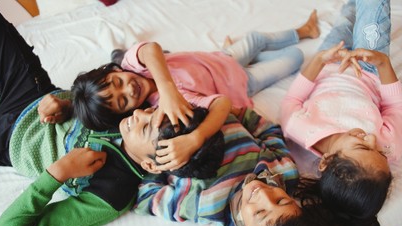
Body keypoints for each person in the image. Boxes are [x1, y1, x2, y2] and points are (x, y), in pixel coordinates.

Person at [0, 0, 222, 226]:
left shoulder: (113, 191)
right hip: (33, 91)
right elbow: (133, 67)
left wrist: (57, 174)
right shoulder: (135, 111)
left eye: (144, 126)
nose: (139, 112)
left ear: (152, 166)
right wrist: (64, 103)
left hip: (6, 142)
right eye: (150, 111)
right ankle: (2, 90)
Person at [70, 10, 320, 171]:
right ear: (128, 112)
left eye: (117, 82)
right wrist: (196, 137)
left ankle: (305, 30)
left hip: (220, 58)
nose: (128, 88)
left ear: (113, 71)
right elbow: (220, 103)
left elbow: (151, 49)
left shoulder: (133, 64)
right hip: (242, 82)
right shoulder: (163, 110)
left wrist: (168, 89)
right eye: (123, 101)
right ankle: (267, 54)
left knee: (256, 38)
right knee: (295, 57)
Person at [279, 0, 402, 226]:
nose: (372, 139)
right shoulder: (391, 148)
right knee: (374, 7)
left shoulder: (303, 131)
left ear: (325, 161)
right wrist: (383, 64)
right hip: (369, 70)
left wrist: (318, 60)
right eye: (379, 152)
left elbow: (291, 101)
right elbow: (396, 109)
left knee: (346, 20)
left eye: (361, 145)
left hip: (328, 63)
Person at [135, 108, 324, 226]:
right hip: (212, 108)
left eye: (260, 213)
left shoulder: (206, 204)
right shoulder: (286, 172)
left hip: (160, 127)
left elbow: (146, 197)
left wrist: (157, 165)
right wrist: (235, 113)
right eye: (282, 201)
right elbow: (270, 131)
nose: (263, 194)